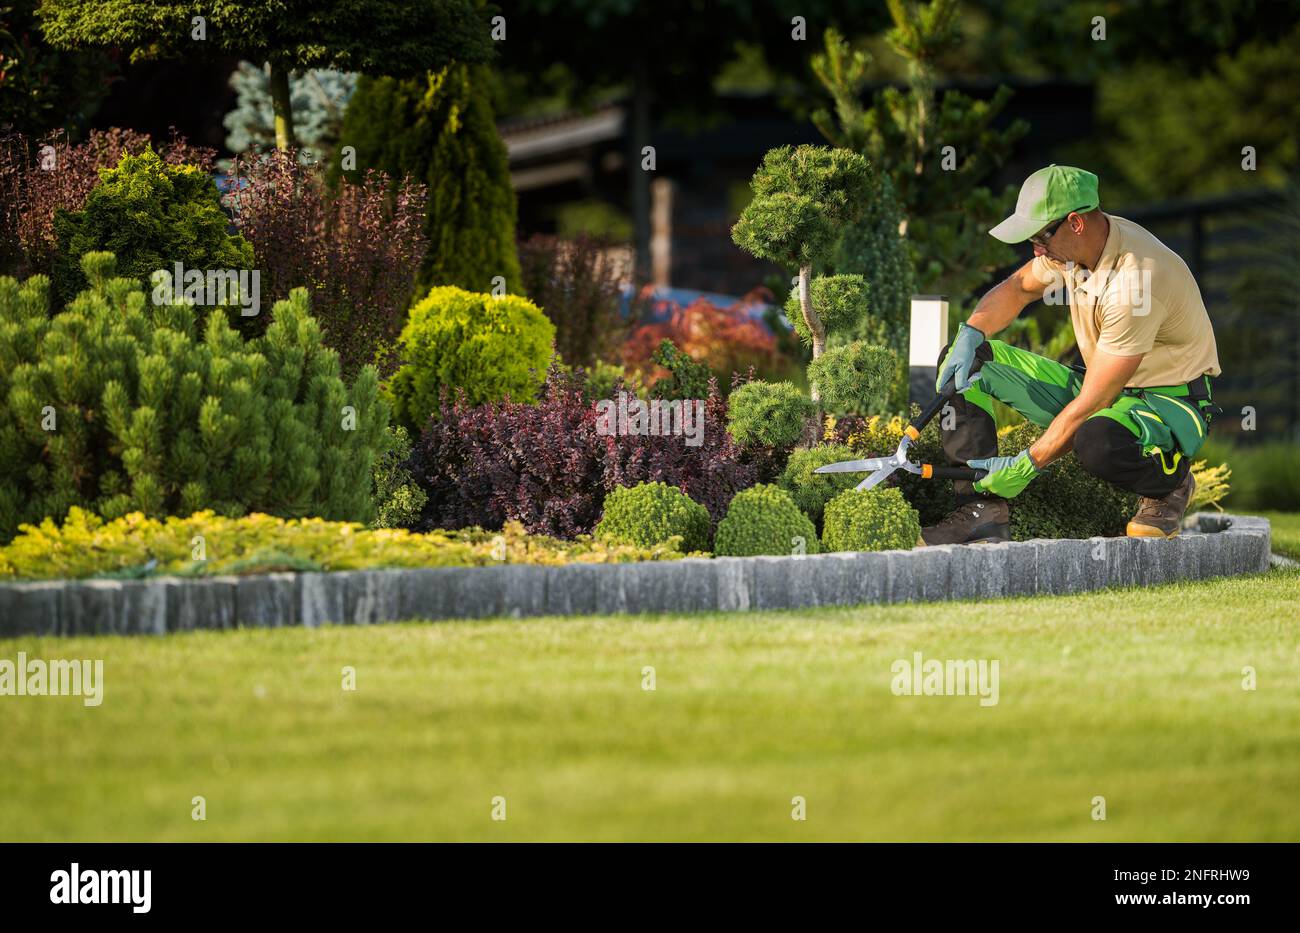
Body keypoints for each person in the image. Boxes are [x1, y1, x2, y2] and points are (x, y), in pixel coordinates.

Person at [922, 165, 1221, 545]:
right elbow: (1017, 290)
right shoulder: (1070, 253)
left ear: (1076, 223)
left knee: (1097, 440)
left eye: (1040, 237)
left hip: (1169, 403)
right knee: (964, 362)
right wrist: (971, 331)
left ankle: (1171, 483)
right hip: (1106, 387)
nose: (1036, 249)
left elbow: (1094, 402)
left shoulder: (1136, 282)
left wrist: (1026, 464)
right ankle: (982, 511)